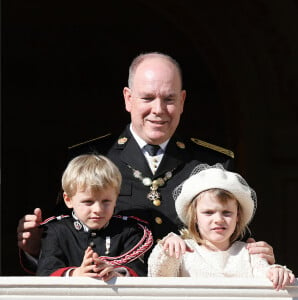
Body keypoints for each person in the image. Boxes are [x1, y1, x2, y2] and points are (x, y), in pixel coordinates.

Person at [17, 51, 275, 274]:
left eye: (169, 99)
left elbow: (233, 240)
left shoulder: (213, 164)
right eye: (148, 98)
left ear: (183, 101)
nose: (158, 109)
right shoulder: (89, 159)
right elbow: (61, 240)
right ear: (128, 98)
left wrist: (254, 256)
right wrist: (33, 249)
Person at [147, 164, 295, 290]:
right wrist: (167, 249)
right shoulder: (183, 251)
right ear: (195, 217)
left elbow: (266, 275)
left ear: (238, 217)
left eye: (227, 213)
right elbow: (159, 277)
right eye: (208, 213)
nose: (218, 219)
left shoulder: (250, 253)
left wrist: (276, 272)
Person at [36, 154, 153, 279]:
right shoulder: (56, 231)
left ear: (116, 198)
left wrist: (116, 275)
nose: (98, 210)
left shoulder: (130, 231)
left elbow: (139, 273)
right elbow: (46, 272)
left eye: (106, 201)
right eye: (88, 202)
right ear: (68, 200)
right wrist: (75, 274)